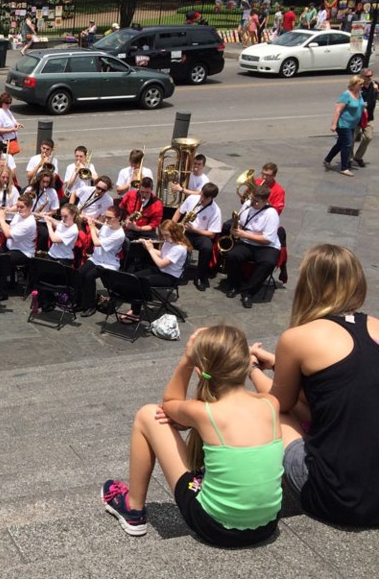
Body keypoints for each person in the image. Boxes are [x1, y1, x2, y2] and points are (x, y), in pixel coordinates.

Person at [102, 325, 283, 546]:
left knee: (147, 414)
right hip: (267, 526)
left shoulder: (203, 413)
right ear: (246, 363)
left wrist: (187, 360)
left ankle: (133, 509)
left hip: (215, 527)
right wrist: (254, 367)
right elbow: (270, 391)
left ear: (200, 370)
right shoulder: (271, 403)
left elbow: (169, 403)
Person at [248, 244, 379, 527]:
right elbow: (346, 381)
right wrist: (278, 362)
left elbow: (277, 402)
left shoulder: (298, 337)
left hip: (336, 499)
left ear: (309, 284)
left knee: (278, 412)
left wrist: (253, 369)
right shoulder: (376, 326)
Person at [222, 183, 280, 309]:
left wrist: (244, 234)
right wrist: (236, 229)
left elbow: (267, 240)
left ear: (265, 201)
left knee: (268, 262)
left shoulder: (271, 214)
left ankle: (248, 292)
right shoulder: (248, 204)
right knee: (232, 255)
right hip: (247, 241)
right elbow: (241, 222)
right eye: (252, 199)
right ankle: (234, 285)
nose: (252, 203)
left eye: (256, 201)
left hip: (265, 246)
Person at [122, 220, 189, 321]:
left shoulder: (179, 248)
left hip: (171, 277)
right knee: (135, 277)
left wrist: (150, 249)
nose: (165, 238)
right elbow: (162, 255)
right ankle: (137, 306)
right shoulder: (169, 242)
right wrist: (147, 246)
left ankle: (136, 311)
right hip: (162, 271)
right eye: (163, 235)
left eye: (167, 235)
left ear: (175, 233)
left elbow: (161, 263)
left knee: (141, 282)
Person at [171, 182, 222, 291]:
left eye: (205, 197)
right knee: (176, 241)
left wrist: (195, 230)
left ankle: (201, 277)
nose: (202, 199)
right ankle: (176, 271)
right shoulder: (193, 198)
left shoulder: (216, 211)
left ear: (212, 198)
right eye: (202, 195)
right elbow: (179, 211)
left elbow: (212, 234)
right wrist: (172, 225)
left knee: (207, 247)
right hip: (186, 230)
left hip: (201, 234)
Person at [78, 205, 127, 316]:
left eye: (110, 217)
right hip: (97, 258)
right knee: (80, 273)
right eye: (106, 216)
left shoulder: (119, 235)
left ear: (118, 218)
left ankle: (90, 306)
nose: (106, 219)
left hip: (108, 263)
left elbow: (96, 243)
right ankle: (82, 301)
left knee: (89, 277)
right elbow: (99, 234)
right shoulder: (106, 225)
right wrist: (91, 223)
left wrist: (91, 227)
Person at [323, 75, 365, 177]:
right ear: (354, 85)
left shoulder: (359, 94)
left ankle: (327, 160)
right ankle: (344, 168)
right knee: (347, 144)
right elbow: (338, 110)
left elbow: (360, 104)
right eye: (360, 84)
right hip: (343, 124)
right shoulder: (346, 95)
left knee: (340, 143)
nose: (362, 86)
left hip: (352, 124)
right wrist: (334, 124)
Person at [0, 192, 37, 273]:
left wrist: (1, 219)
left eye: (22, 207)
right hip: (10, 247)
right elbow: (10, 228)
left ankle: (6, 283)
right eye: (17, 206)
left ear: (30, 207)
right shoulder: (19, 215)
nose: (18, 209)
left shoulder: (29, 223)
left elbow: (8, 234)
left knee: (2, 261)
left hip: (23, 252)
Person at [120, 177, 163, 242]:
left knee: (156, 242)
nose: (144, 195)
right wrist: (125, 219)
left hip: (146, 231)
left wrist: (138, 229)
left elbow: (153, 225)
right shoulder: (130, 195)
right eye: (142, 192)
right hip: (128, 228)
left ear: (151, 190)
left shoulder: (157, 203)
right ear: (139, 188)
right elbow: (120, 209)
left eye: (147, 192)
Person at [353, 68, 376, 167]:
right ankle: (349, 159)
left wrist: (377, 90)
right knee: (351, 139)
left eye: (371, 75)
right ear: (362, 76)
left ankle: (358, 156)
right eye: (368, 76)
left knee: (368, 137)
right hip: (356, 117)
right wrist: (361, 104)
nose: (370, 78)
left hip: (368, 117)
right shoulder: (357, 86)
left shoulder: (374, 85)